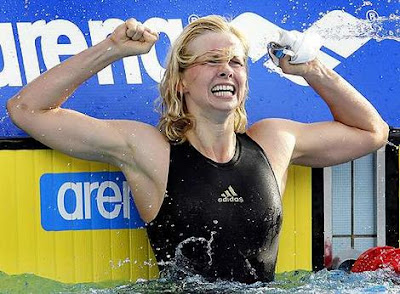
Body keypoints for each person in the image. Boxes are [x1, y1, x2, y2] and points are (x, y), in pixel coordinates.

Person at [7, 15, 388, 283]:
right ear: (180, 83)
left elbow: (372, 132)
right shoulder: (150, 151)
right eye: (211, 61)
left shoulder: (273, 143)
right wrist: (111, 49)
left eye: (235, 62)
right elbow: (27, 110)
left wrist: (312, 69)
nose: (226, 69)